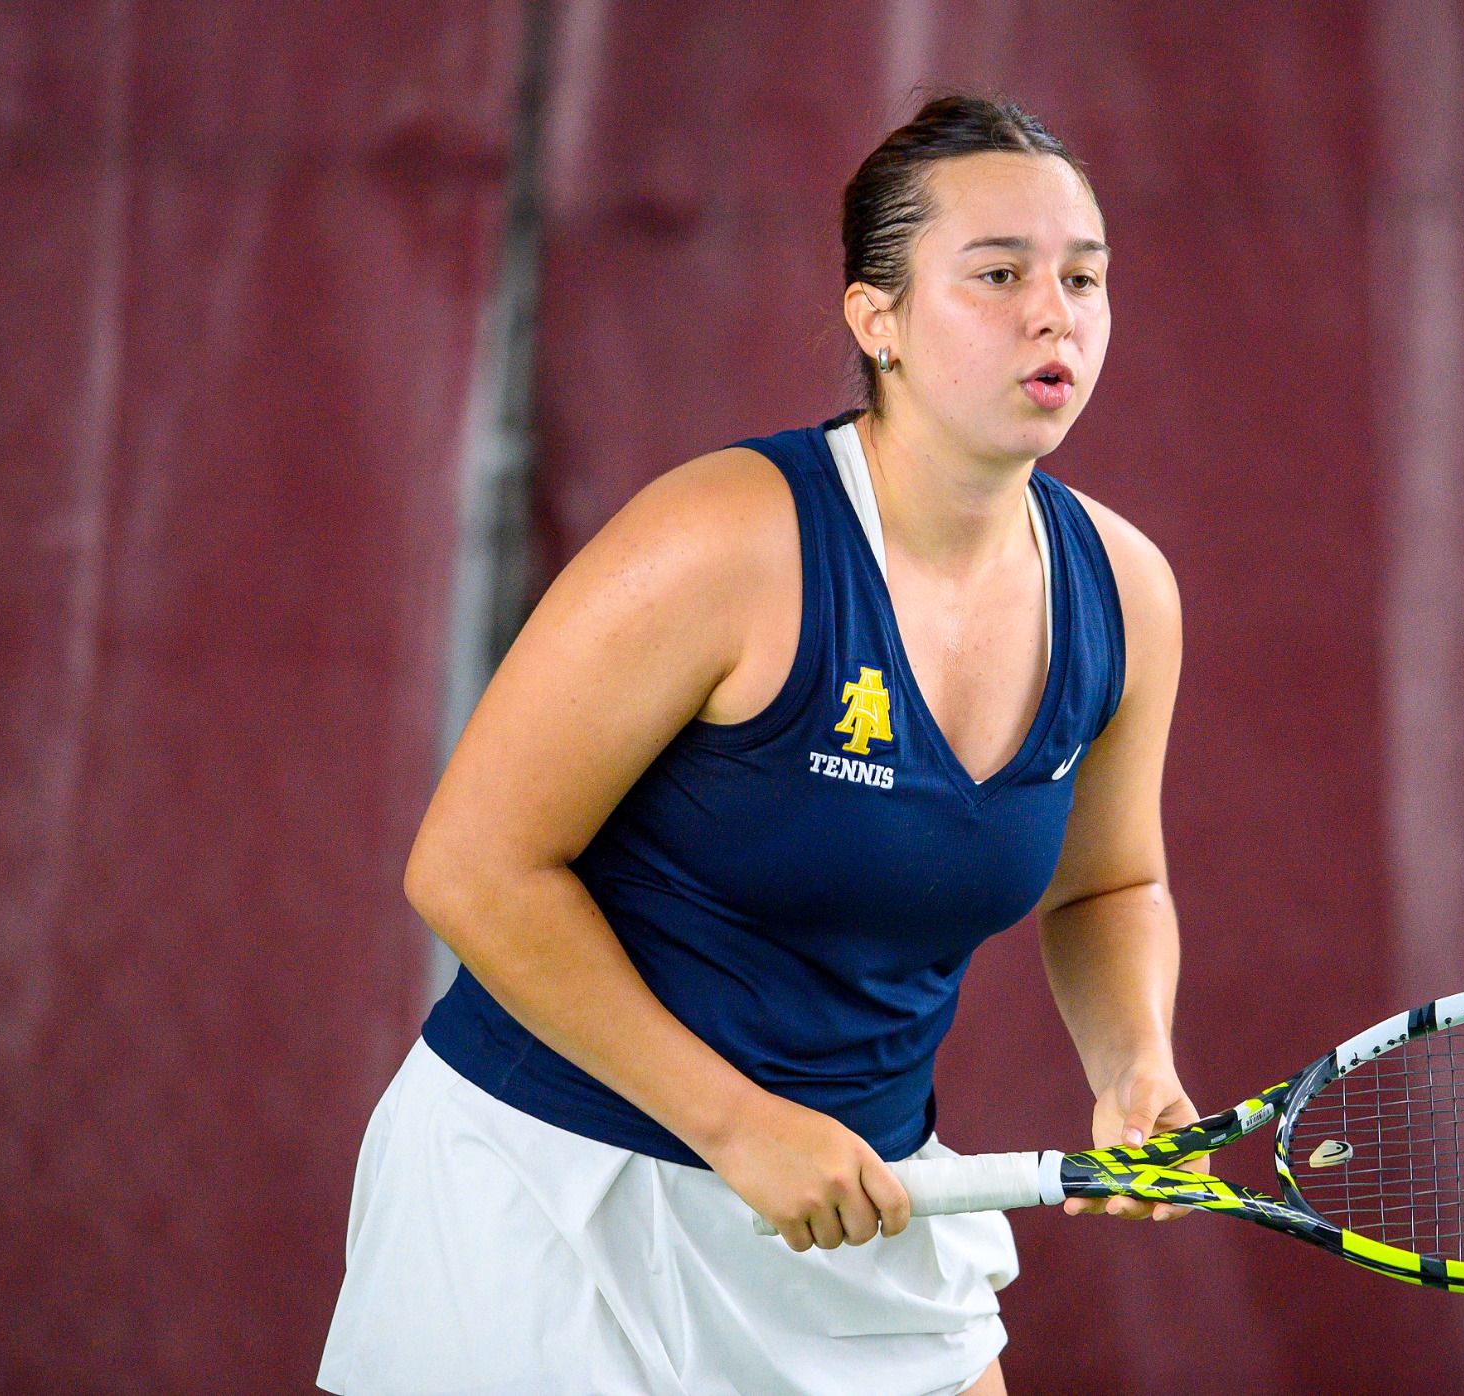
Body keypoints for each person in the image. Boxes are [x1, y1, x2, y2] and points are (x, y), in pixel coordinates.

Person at [319, 93, 1194, 1396]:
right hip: (556, 1191)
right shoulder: (726, 540)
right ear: (876, 319)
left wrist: (1135, 1071)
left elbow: (1110, 884)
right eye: (998, 274)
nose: (1053, 313)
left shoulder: (1124, 593)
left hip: (864, 1206)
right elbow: (471, 867)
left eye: (1084, 277)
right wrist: (734, 1124)